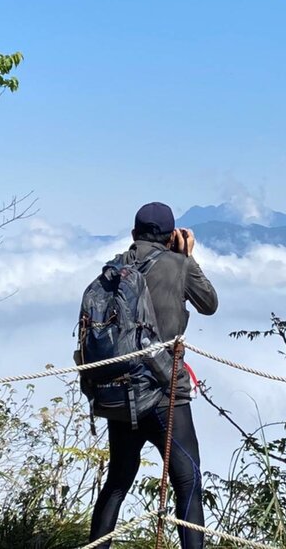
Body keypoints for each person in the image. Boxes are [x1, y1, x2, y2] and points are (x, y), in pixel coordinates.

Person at [88, 201, 218, 549]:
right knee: (188, 482)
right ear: (172, 236)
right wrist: (188, 258)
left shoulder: (114, 269)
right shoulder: (179, 266)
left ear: (134, 234)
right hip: (166, 394)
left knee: (117, 482)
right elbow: (209, 303)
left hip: (120, 391)